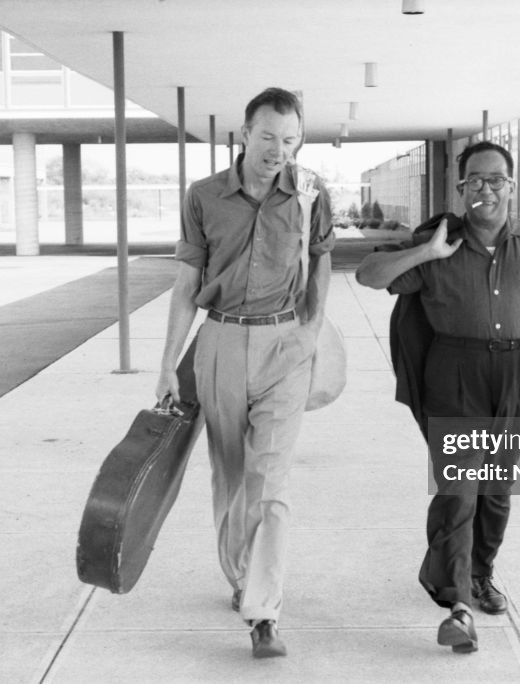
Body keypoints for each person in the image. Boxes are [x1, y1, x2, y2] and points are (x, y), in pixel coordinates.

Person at [355, 140, 520, 654]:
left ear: (511, 184)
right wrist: (426, 252)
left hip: (517, 372)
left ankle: (481, 573)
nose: (486, 189)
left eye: (495, 179)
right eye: (475, 180)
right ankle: (457, 602)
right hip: (454, 372)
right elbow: (369, 275)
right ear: (461, 188)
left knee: (495, 491)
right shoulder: (438, 239)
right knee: (460, 489)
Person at [155, 87, 334, 658]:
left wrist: (310, 328)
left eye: (290, 139)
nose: (278, 150)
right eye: (268, 137)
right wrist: (166, 365)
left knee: (270, 482)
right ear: (244, 133)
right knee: (230, 475)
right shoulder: (204, 196)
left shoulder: (310, 194)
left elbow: (323, 259)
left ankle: (263, 612)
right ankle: (239, 575)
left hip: (286, 344)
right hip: (221, 341)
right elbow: (187, 283)